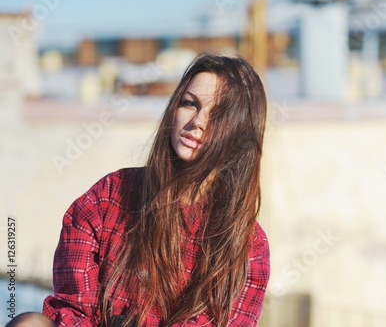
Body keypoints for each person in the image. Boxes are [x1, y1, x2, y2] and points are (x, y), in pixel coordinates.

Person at [8, 53, 270, 327]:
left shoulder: (248, 247)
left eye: (219, 114)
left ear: (240, 132)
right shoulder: (107, 199)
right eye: (190, 104)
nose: (198, 121)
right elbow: (73, 311)